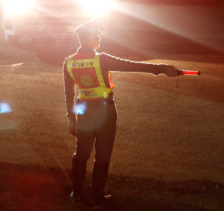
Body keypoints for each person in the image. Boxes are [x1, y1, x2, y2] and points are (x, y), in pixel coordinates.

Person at [63, 20, 182, 208]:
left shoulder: (69, 63)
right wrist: (162, 68)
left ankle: (77, 195)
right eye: (96, 35)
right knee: (102, 156)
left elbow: (69, 93)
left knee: (81, 154)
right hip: (106, 112)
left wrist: (71, 119)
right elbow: (134, 66)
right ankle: (97, 197)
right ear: (88, 38)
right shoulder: (101, 59)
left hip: (84, 114)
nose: (99, 37)